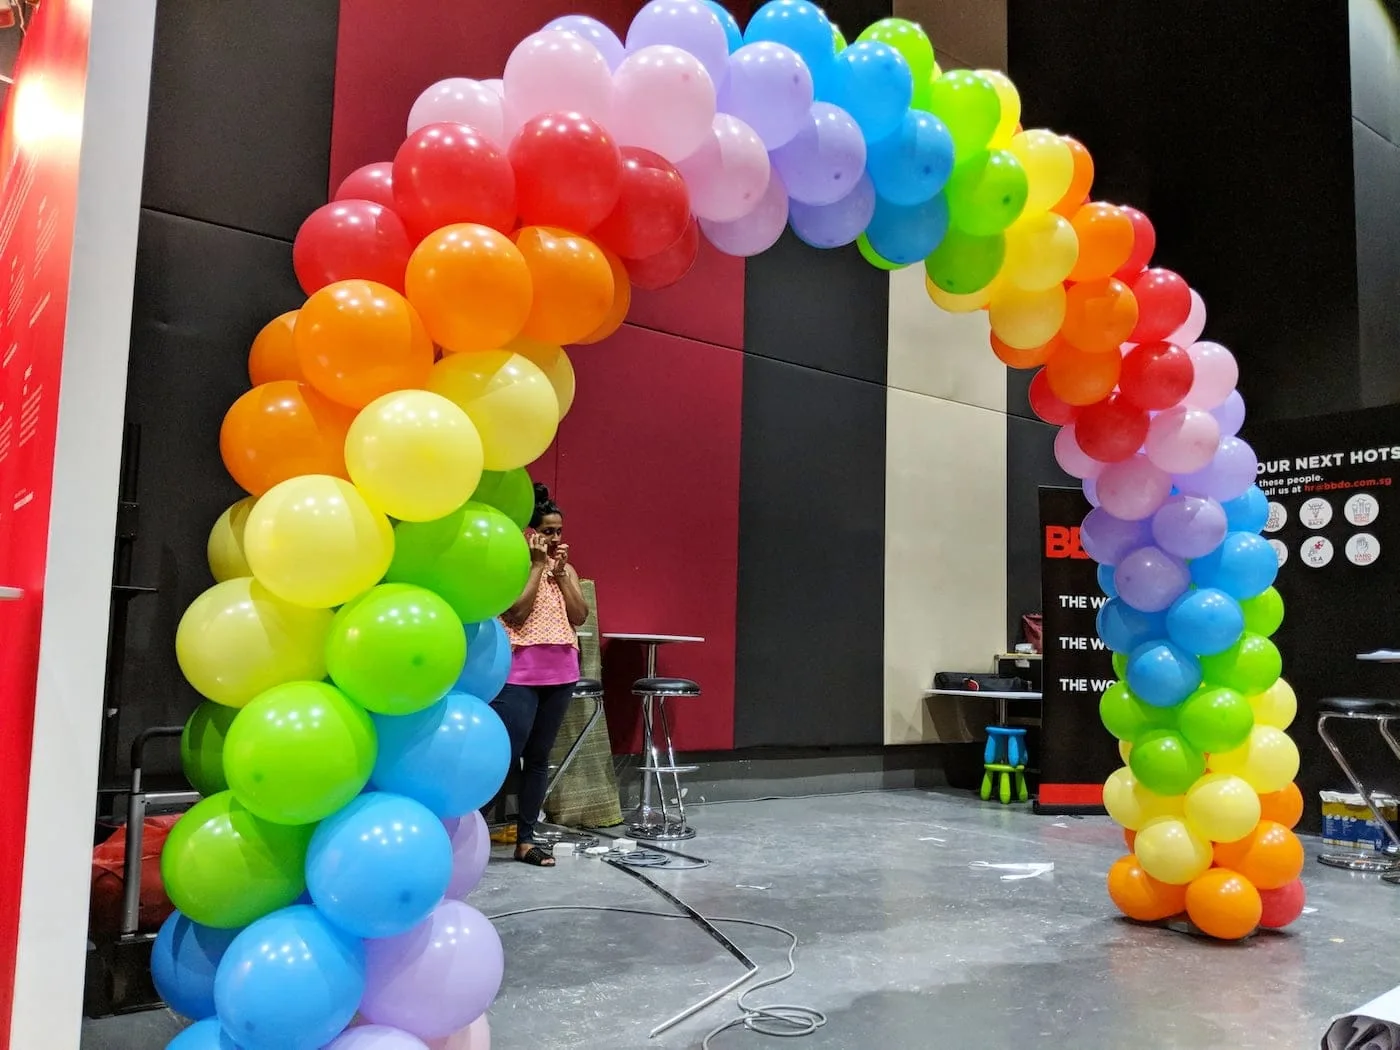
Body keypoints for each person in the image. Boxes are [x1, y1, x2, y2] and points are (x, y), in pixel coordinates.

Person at [492, 483, 589, 867]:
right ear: (529, 532)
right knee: (504, 755)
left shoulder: (565, 570)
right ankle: (472, 833)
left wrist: (562, 575)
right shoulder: (515, 567)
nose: (554, 538)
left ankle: (526, 839)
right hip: (520, 673)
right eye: (546, 530)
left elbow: (580, 616)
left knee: (538, 758)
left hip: (561, 671)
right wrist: (536, 566)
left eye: (558, 531)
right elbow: (515, 614)